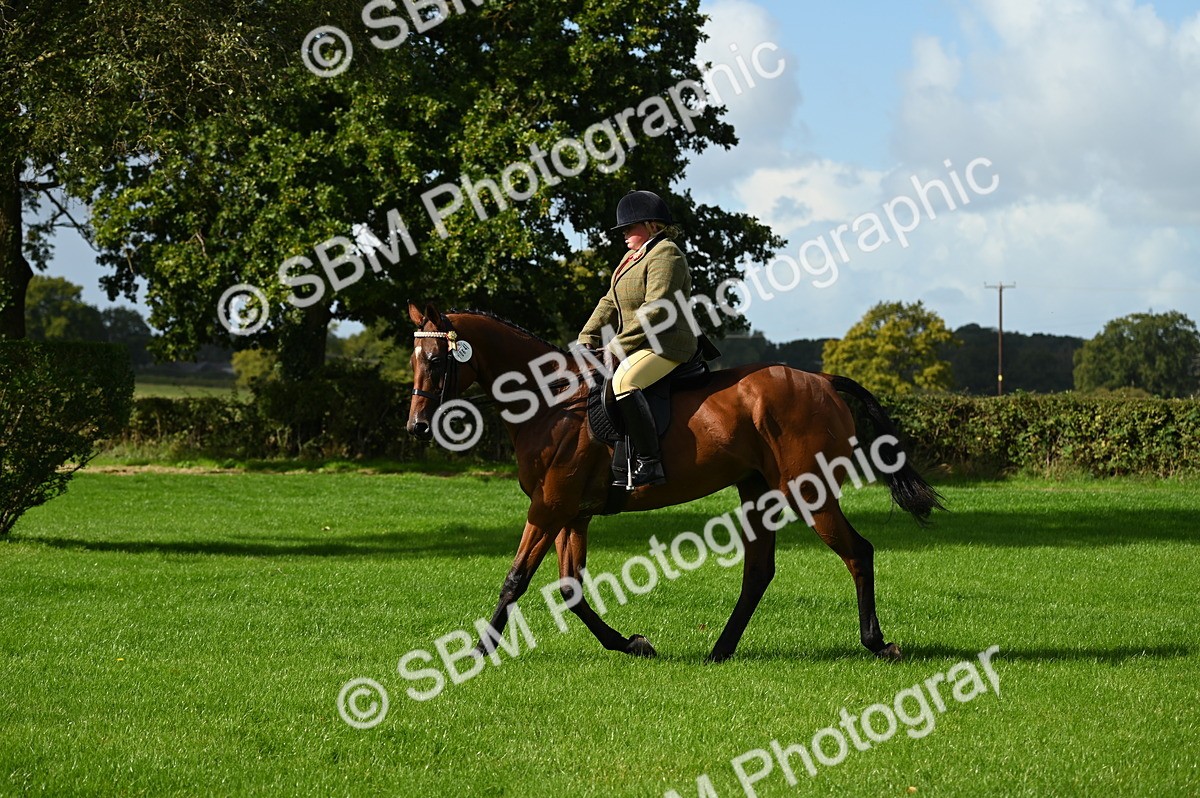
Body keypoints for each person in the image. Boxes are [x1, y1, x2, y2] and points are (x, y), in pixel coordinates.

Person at [578, 190, 697, 487]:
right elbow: (609, 300)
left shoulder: (666, 253)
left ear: (652, 225)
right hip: (642, 342)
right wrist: (586, 336)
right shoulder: (632, 257)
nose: (624, 234)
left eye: (629, 227)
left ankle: (649, 462)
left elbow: (656, 310)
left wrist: (616, 346)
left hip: (666, 343)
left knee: (624, 382)